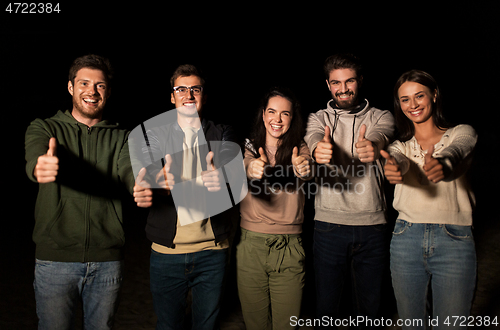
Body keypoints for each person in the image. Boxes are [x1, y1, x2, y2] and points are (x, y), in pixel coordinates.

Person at [24, 54, 135, 329]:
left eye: (100, 85)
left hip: (107, 262)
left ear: (108, 92)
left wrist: (143, 184)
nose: (92, 91)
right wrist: (40, 165)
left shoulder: (123, 136)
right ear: (71, 87)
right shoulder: (45, 127)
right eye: (84, 83)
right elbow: (36, 153)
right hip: (54, 260)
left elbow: (129, 171)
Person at [131, 64, 241, 330]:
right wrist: (156, 181)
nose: (188, 94)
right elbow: (149, 167)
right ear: (172, 96)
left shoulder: (223, 132)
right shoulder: (154, 134)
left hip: (212, 252)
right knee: (168, 326)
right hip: (167, 253)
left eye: (195, 89)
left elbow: (232, 172)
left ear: (203, 95)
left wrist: (223, 179)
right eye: (181, 89)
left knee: (207, 325)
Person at [381, 70, 477, 329]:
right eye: (404, 99)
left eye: (419, 96)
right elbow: (398, 161)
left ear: (434, 95)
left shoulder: (462, 132)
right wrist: (395, 168)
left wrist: (442, 164)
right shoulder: (397, 147)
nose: (412, 105)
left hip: (455, 239)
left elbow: (458, 152)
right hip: (405, 239)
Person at [304, 53, 395, 327]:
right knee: (326, 309)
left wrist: (373, 146)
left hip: (373, 225)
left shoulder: (382, 116)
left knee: (371, 309)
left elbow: (381, 135)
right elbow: (313, 138)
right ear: (328, 85)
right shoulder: (317, 117)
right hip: (328, 226)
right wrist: (318, 148)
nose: (343, 88)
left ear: (361, 81)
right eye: (336, 83)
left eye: (350, 81)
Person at [237, 87, 313, 329]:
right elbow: (248, 164)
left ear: (293, 118)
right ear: (263, 114)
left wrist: (304, 168)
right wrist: (252, 169)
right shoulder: (248, 147)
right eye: (272, 112)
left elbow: (307, 165)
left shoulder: (300, 148)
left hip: (290, 247)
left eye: (285, 114)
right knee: (255, 324)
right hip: (251, 246)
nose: (277, 120)